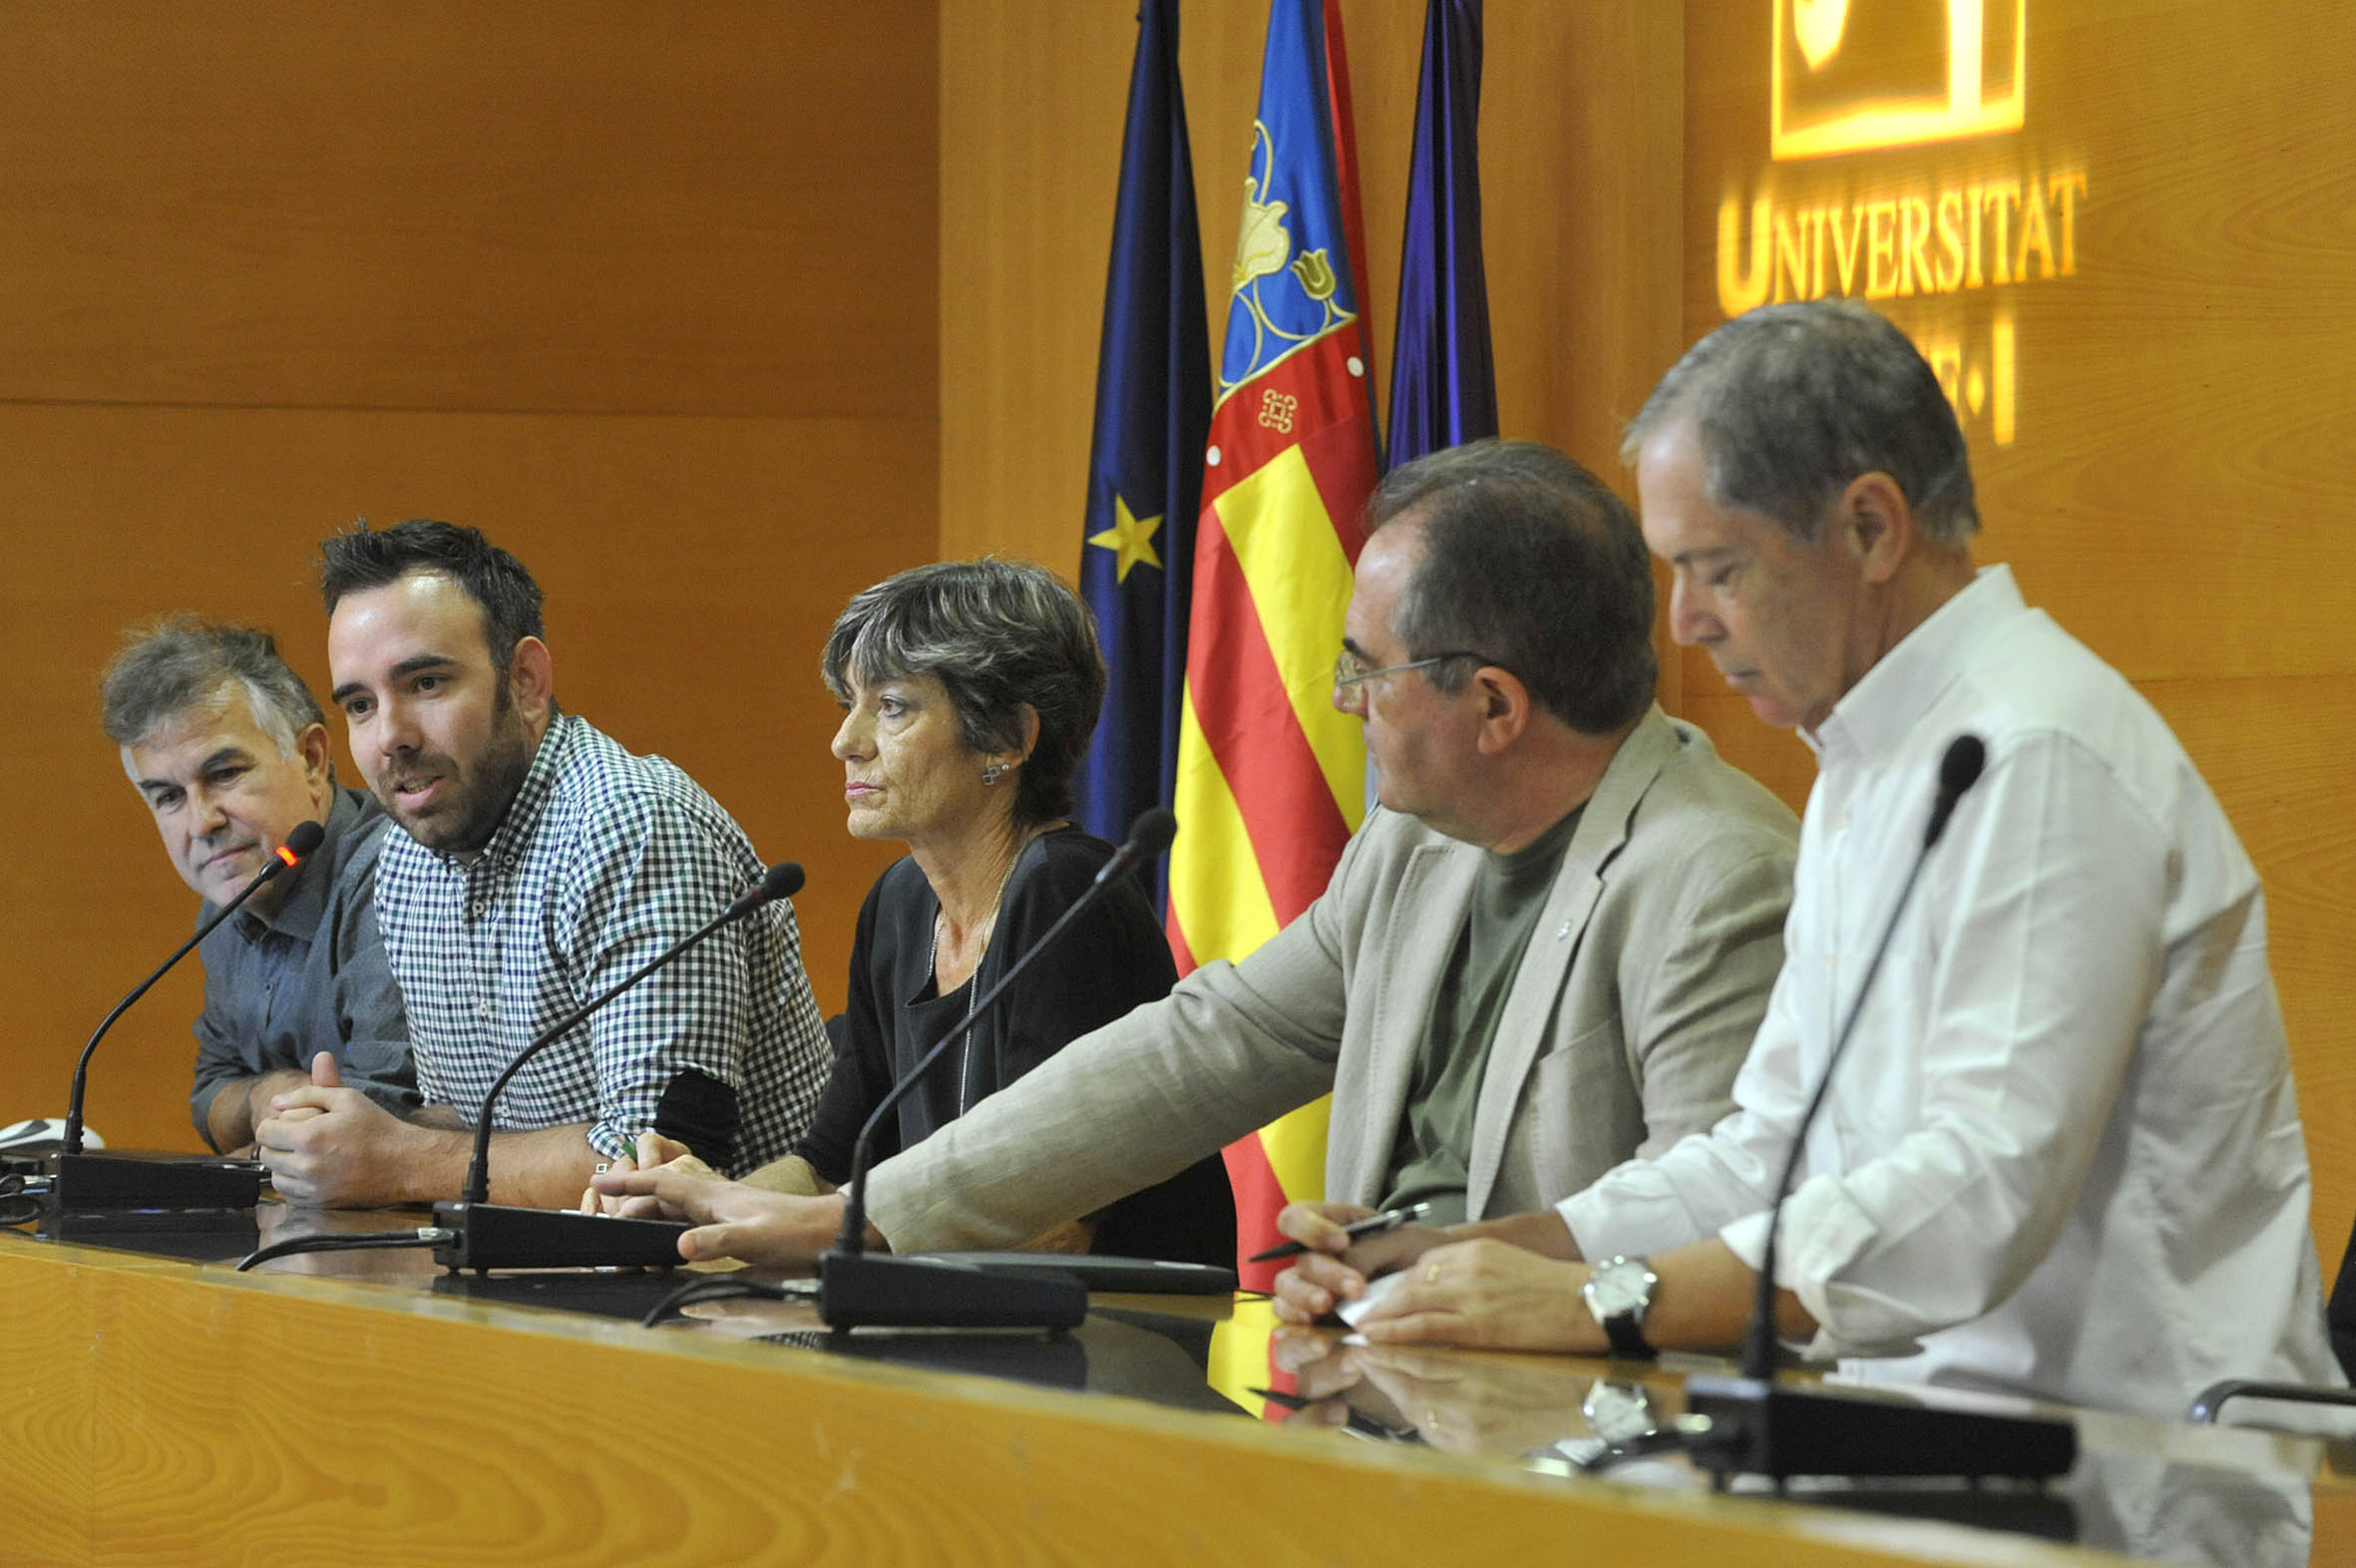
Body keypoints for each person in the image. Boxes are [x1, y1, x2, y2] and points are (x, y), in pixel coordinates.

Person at [1273, 299, 2339, 1421]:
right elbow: (1768, 1157)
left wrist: (1596, 1301)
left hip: (2115, 1479)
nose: (1681, 623)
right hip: (1910, 1454)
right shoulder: (1867, 759)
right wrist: (1479, 1257)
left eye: (1716, 569)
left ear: (1871, 529)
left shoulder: (2036, 755)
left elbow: (1978, 1189)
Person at [592, 440, 1800, 1267]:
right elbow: (1214, 1041)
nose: (1337, 702)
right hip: (1377, 1378)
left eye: (1364, 670)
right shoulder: (1412, 847)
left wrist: (1472, 1279)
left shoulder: (1713, 878)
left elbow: (1718, 1244)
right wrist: (852, 1217)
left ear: (1491, 705)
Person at [623, 560, 1233, 1264]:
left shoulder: (1066, 896)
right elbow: (827, 1166)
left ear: (1006, 738)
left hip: (1119, 1339)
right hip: (964, 1328)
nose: (845, 741)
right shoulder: (902, 903)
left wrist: (777, 1230)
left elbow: (1056, 1223)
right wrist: (687, 1218)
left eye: (891, 707)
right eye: (850, 703)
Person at [256, 520, 830, 1208]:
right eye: (359, 704)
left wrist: (399, 1160)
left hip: (735, 1290)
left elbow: (658, 1163)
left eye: (428, 683)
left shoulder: (630, 826)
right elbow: (468, 1128)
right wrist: (344, 1137)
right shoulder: (407, 860)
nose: (390, 738)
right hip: (545, 1279)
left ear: (527, 682)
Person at [101, 616, 416, 1154]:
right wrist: (264, 1095)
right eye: (167, 797)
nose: (200, 823)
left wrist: (257, 1118)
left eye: (224, 774)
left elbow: (379, 1120)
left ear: (313, 759)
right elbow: (210, 1096)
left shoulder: (399, 879)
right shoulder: (228, 905)